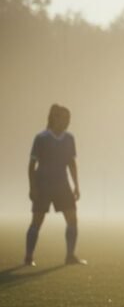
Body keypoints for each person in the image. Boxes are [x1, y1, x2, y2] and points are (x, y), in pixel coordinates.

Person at [25, 104, 86, 266]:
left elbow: (71, 164)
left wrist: (76, 186)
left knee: (72, 219)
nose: (67, 122)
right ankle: (28, 257)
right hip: (43, 184)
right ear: (54, 118)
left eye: (69, 119)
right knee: (37, 221)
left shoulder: (69, 138)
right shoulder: (41, 138)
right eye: (64, 118)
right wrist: (32, 187)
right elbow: (32, 166)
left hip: (62, 184)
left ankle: (70, 256)